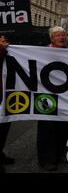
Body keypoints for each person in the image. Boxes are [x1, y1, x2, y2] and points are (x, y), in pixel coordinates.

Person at [37, 27, 68, 172]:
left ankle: (61, 154)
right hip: (46, 96)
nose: (61, 37)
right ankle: (47, 160)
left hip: (65, 96)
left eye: (63, 35)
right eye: (57, 35)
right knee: (47, 128)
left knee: (64, 127)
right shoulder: (42, 52)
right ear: (51, 39)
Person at [0, 35, 14, 173]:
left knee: (4, 128)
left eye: (7, 41)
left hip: (7, 97)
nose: (6, 44)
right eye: (3, 41)